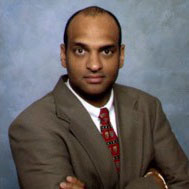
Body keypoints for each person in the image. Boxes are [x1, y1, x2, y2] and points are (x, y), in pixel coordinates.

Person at [9, 6, 189, 189]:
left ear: (121, 55)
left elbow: (184, 181)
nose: (94, 65)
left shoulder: (148, 107)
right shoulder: (32, 125)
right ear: (64, 55)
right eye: (80, 51)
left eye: (106, 51)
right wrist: (155, 182)